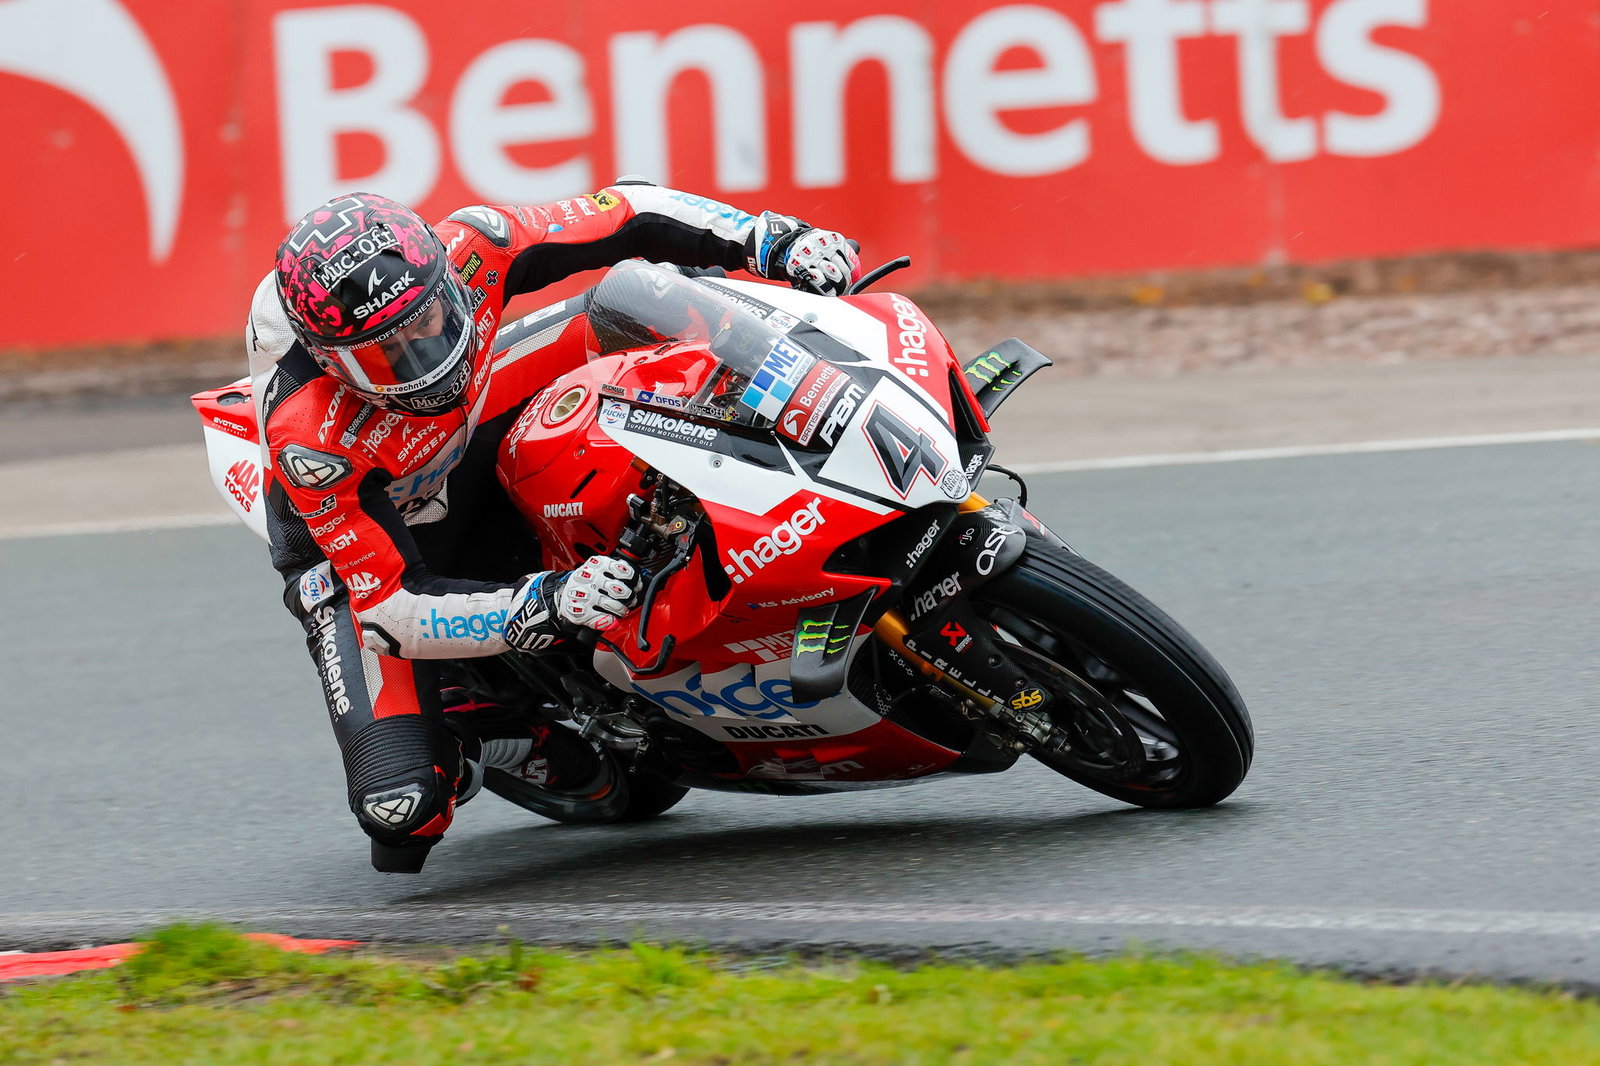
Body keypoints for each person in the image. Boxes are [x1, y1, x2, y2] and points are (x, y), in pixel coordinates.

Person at [246, 179, 861, 872]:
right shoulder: (311, 439)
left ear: (444, 277)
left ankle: (815, 424)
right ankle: (489, 736)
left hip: (471, 414)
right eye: (392, 352)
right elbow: (392, 609)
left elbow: (627, 210)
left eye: (433, 319)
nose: (429, 354)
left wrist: (769, 239)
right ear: (335, 363)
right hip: (365, 552)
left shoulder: (474, 244)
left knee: (638, 299)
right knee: (401, 809)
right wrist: (547, 602)